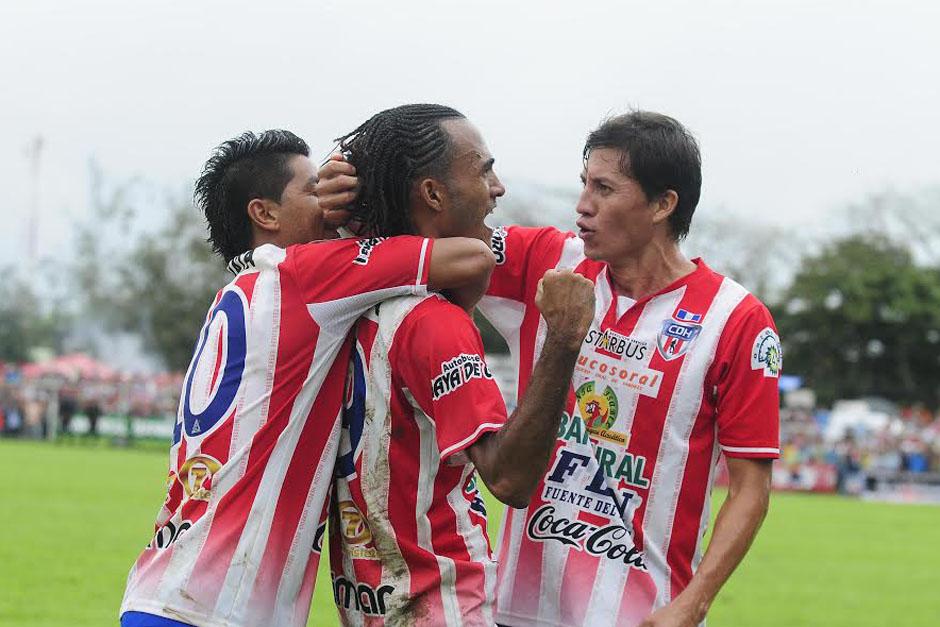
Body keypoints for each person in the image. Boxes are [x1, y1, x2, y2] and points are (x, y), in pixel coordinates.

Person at [318, 110, 781, 626]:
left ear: (663, 204)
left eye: (604, 189)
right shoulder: (547, 260)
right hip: (517, 610)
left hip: (643, 615)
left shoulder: (736, 320)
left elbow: (750, 488)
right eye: (584, 184)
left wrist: (693, 603)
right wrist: (345, 198)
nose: (582, 205)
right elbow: (424, 230)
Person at [119, 129, 496, 627]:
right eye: (314, 189)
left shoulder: (243, 290)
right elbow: (473, 255)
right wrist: (363, 211)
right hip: (216, 610)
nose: (328, 204)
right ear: (266, 213)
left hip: (169, 591)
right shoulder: (304, 275)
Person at [326, 104, 596, 626]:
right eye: (483, 170)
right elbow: (510, 479)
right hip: (443, 605)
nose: (498, 188)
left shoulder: (340, 301)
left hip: (367, 604)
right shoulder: (435, 322)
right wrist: (561, 342)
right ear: (432, 194)